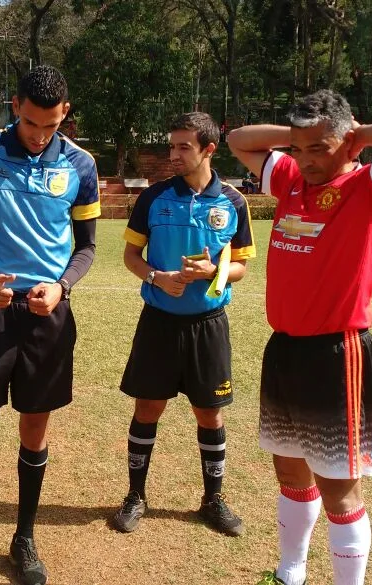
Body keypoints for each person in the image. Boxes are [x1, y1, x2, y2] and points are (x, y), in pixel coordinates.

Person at [228, 90, 372, 585]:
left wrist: (352, 135)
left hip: (338, 352)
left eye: (321, 148)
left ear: (350, 144)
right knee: (290, 473)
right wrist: (301, 139)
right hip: (285, 348)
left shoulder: (369, 188)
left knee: (339, 488)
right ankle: (289, 571)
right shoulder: (293, 178)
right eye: (300, 149)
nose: (308, 160)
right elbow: (238, 140)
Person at [0, 65, 100, 585]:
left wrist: (63, 286)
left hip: (47, 316)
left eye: (50, 125)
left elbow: (88, 245)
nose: (39, 134)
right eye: (31, 123)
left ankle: (23, 537)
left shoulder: (81, 165)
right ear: (14, 105)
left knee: (34, 430)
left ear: (64, 114)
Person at [112, 112, 255, 537]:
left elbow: (242, 267)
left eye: (183, 147)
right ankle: (136, 496)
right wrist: (159, 278)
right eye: (171, 146)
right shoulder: (154, 198)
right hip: (158, 321)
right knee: (147, 408)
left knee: (209, 414)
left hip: (208, 324)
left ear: (209, 149)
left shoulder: (232, 201)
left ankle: (213, 499)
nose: (173, 154)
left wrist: (214, 271)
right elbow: (131, 258)